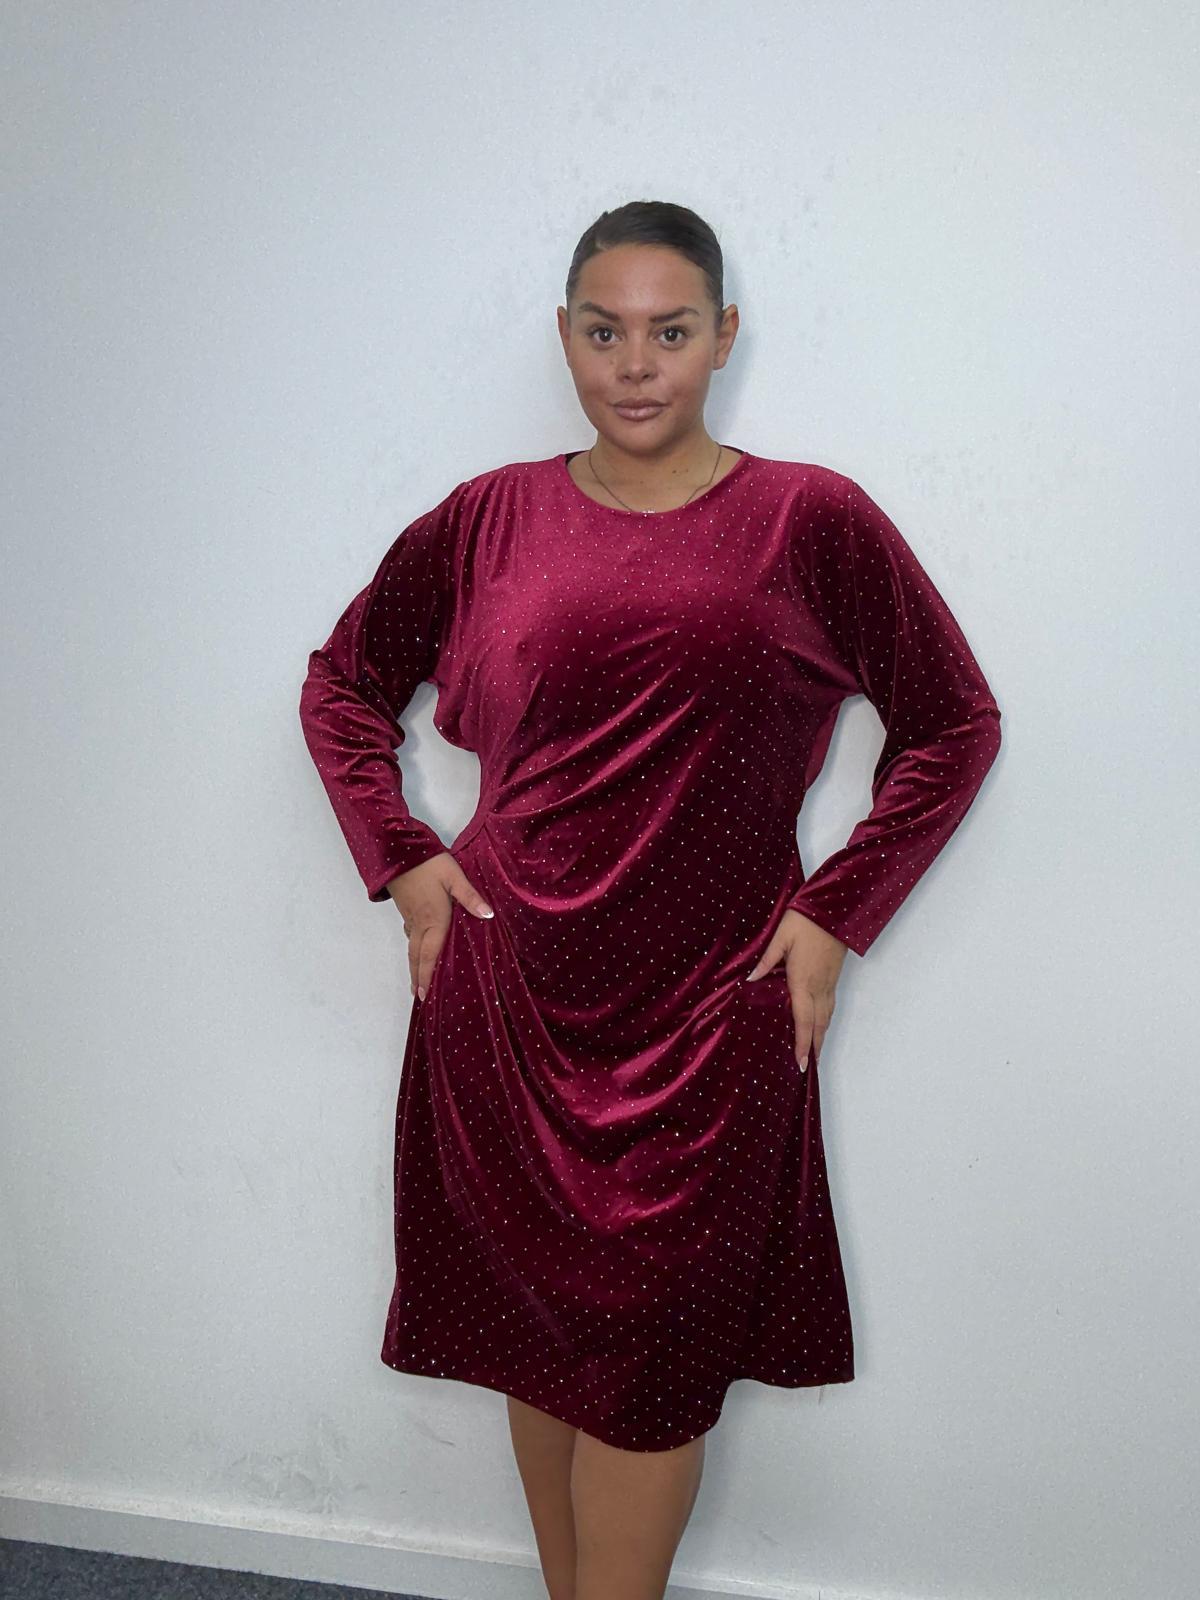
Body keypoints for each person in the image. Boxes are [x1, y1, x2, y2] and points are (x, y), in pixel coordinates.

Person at [298, 199, 1003, 1600]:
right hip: (508, 1000)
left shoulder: (811, 518)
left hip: (711, 1010)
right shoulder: (486, 518)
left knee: (651, 1374)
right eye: (604, 333)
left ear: (724, 337)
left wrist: (837, 912)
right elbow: (341, 687)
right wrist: (405, 859)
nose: (636, 366)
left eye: (670, 332)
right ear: (563, 340)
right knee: (542, 1339)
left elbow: (952, 722)